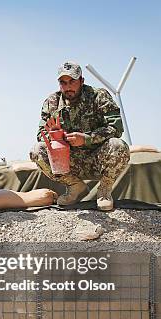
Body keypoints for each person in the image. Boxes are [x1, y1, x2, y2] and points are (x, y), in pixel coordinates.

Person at [30, 61, 130, 211]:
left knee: (118, 145)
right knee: (37, 150)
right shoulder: (52, 102)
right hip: (69, 160)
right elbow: (40, 134)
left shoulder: (98, 96)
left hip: (97, 157)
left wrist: (86, 138)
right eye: (63, 83)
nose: (68, 87)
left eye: (72, 81)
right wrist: (56, 136)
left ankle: (104, 191)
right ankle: (74, 185)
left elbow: (116, 128)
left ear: (82, 81)